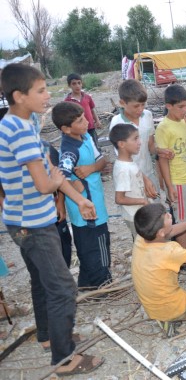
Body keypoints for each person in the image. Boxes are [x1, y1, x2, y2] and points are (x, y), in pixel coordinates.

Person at [0, 63, 103, 375]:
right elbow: (46, 183)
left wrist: (80, 198)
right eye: (41, 91)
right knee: (62, 289)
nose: (48, 96)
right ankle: (64, 359)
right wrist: (60, 182)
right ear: (19, 96)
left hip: (26, 219)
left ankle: (48, 335)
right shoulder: (19, 133)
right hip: (31, 224)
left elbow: (48, 172)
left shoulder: (24, 119)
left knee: (42, 281)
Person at [53, 101, 112, 288]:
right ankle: (103, 285)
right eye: (80, 120)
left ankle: (87, 284)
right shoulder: (69, 151)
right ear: (66, 129)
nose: (86, 122)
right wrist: (72, 183)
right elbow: (60, 177)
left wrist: (91, 168)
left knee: (88, 246)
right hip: (88, 209)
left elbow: (102, 161)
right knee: (96, 246)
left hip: (92, 205)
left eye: (84, 117)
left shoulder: (85, 136)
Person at [155, 84, 186, 249]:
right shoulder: (163, 127)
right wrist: (169, 186)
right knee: (182, 220)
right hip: (178, 181)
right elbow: (162, 160)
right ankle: (185, 256)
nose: (185, 109)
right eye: (181, 106)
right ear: (168, 106)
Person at [109, 79, 163, 199]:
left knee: (155, 211)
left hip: (149, 172)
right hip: (130, 177)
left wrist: (161, 151)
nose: (140, 109)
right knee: (138, 212)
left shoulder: (147, 115)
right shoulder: (117, 122)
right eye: (136, 106)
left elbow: (150, 145)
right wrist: (144, 180)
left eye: (143, 105)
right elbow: (124, 157)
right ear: (122, 103)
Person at [109, 123, 149, 239]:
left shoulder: (129, 161)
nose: (140, 142)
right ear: (121, 144)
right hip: (134, 216)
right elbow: (120, 198)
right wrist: (143, 201)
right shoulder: (123, 169)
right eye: (135, 139)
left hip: (139, 213)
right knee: (143, 245)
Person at [64, 73, 102, 147]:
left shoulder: (87, 97)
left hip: (90, 127)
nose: (77, 86)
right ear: (69, 85)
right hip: (78, 129)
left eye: (79, 83)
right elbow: (67, 118)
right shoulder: (67, 101)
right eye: (74, 84)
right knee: (82, 146)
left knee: (95, 145)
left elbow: (92, 110)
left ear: (82, 84)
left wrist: (97, 121)